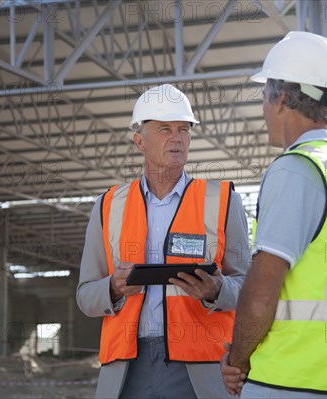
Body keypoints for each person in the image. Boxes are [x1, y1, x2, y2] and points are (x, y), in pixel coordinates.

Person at [220, 31, 327, 398]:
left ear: (279, 98)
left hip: (289, 378)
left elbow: (261, 293)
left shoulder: (296, 169)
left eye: (264, 96)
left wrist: (238, 358)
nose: (263, 108)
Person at [77, 84, 250, 399]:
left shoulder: (223, 201)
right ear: (139, 141)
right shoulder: (108, 205)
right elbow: (85, 295)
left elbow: (248, 287)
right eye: (165, 129)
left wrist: (217, 290)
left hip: (200, 370)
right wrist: (113, 288)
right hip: (127, 370)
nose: (177, 138)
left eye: (184, 130)